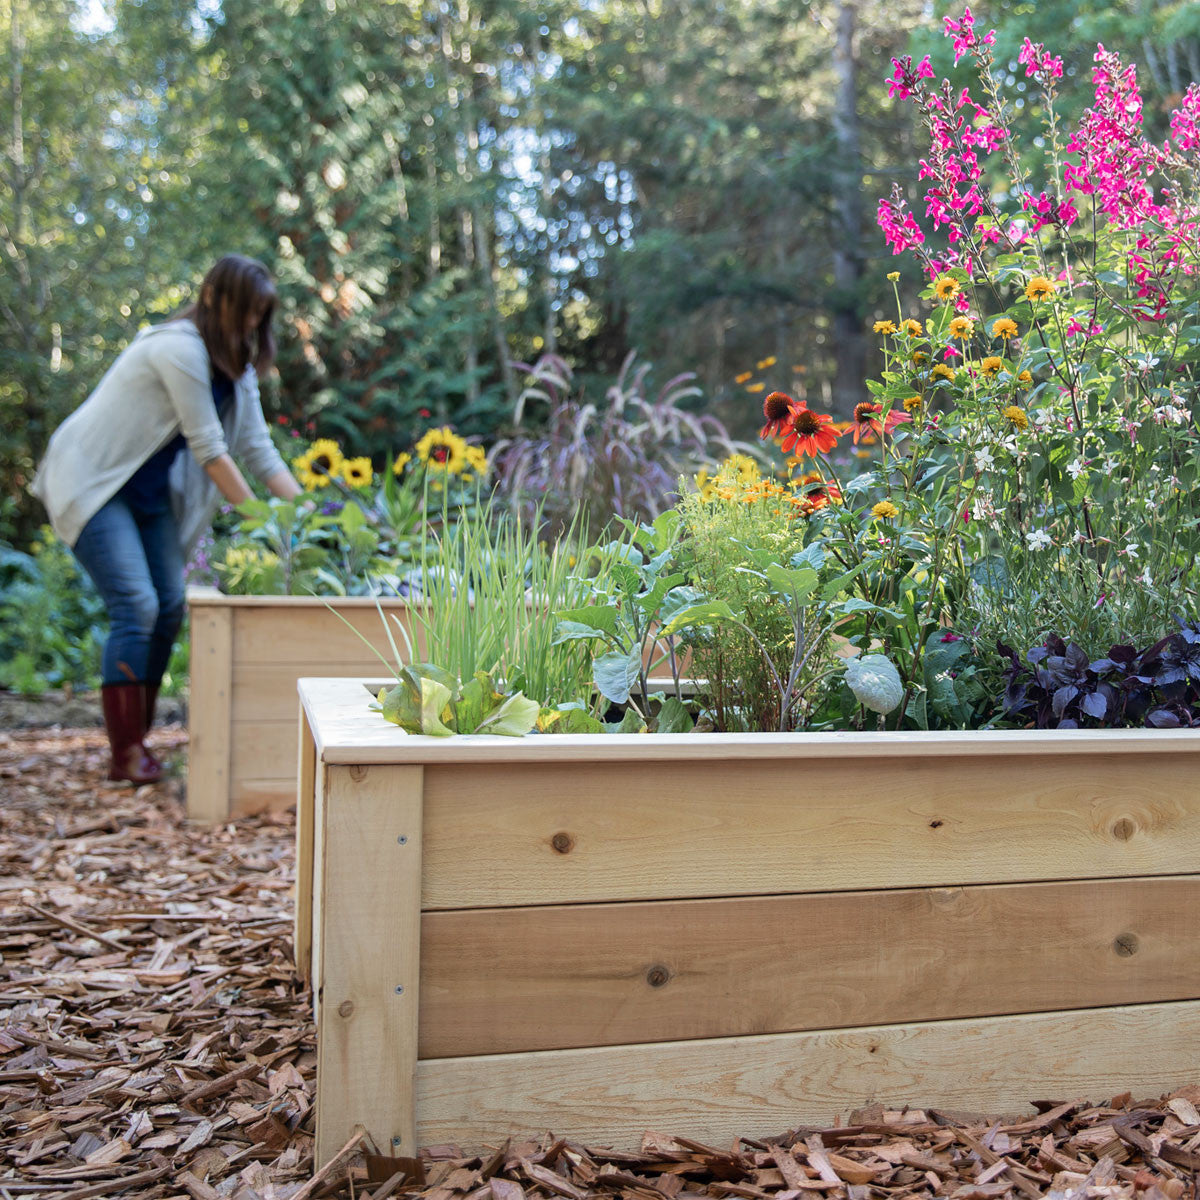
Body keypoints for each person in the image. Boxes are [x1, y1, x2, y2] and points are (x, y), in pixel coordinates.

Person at [32, 254, 304, 784]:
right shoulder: (176, 348)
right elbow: (211, 450)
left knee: (170, 605)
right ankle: (126, 755)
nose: (252, 324)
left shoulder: (236, 365)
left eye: (260, 315)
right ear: (215, 299)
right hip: (93, 483)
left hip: (149, 495)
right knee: (137, 604)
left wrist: (318, 517)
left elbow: (258, 451)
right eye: (247, 312)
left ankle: (140, 742)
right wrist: (263, 523)